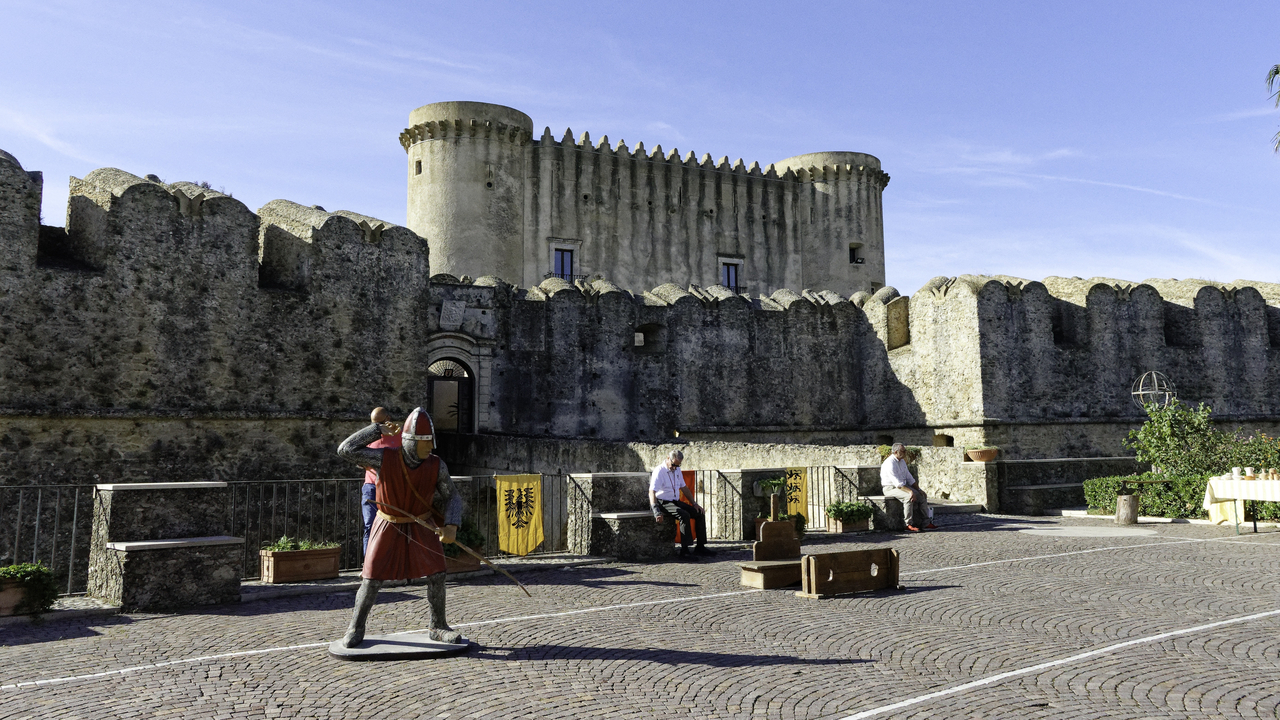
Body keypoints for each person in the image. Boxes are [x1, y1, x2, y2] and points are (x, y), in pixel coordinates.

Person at [337, 406, 463, 647]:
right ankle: (356, 628)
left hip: (422, 522)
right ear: (409, 441)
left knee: (437, 574)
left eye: (430, 441)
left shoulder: (437, 465)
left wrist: (451, 525)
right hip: (388, 523)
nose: (429, 447)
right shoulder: (385, 458)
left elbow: (452, 497)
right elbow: (345, 450)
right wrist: (376, 430)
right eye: (423, 442)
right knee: (371, 577)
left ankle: (438, 626)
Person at [649, 450, 715, 558]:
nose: (675, 467)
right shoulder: (659, 471)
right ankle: (685, 550)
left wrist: (694, 504)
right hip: (663, 502)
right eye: (673, 465)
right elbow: (652, 491)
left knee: (699, 513)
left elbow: (684, 487)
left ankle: (700, 547)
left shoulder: (677, 470)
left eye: (678, 465)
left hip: (675, 501)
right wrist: (656, 510)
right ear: (668, 458)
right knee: (684, 515)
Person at [360, 407, 402, 556]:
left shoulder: (400, 436)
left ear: (388, 419)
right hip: (371, 487)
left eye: (380, 423)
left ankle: (388, 563)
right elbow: (354, 455)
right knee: (369, 526)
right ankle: (368, 565)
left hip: (392, 487)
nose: (376, 427)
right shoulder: (368, 436)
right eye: (374, 424)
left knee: (393, 526)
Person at [880, 443, 936, 532]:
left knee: (922, 496)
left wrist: (919, 489)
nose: (905, 452)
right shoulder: (889, 463)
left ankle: (926, 522)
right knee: (908, 497)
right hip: (890, 488)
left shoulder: (902, 461)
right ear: (896, 452)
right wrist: (910, 492)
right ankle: (908, 524)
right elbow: (897, 483)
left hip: (902, 486)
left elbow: (909, 477)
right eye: (903, 451)